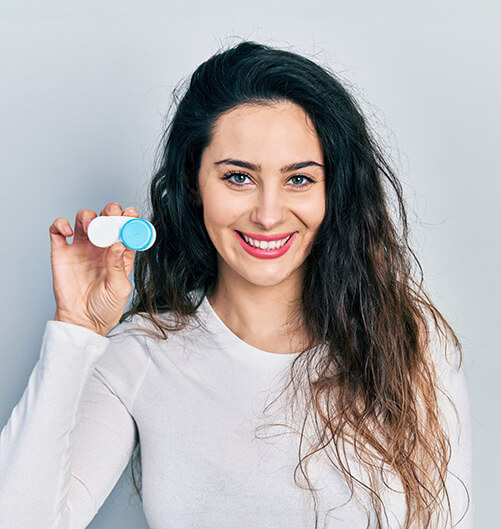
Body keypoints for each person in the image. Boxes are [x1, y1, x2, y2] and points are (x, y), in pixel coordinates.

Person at [0, 40, 472, 529]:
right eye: (239, 178)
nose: (268, 215)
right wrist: (76, 330)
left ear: (335, 190)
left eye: (300, 180)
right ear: (192, 182)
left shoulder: (409, 338)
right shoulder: (141, 354)